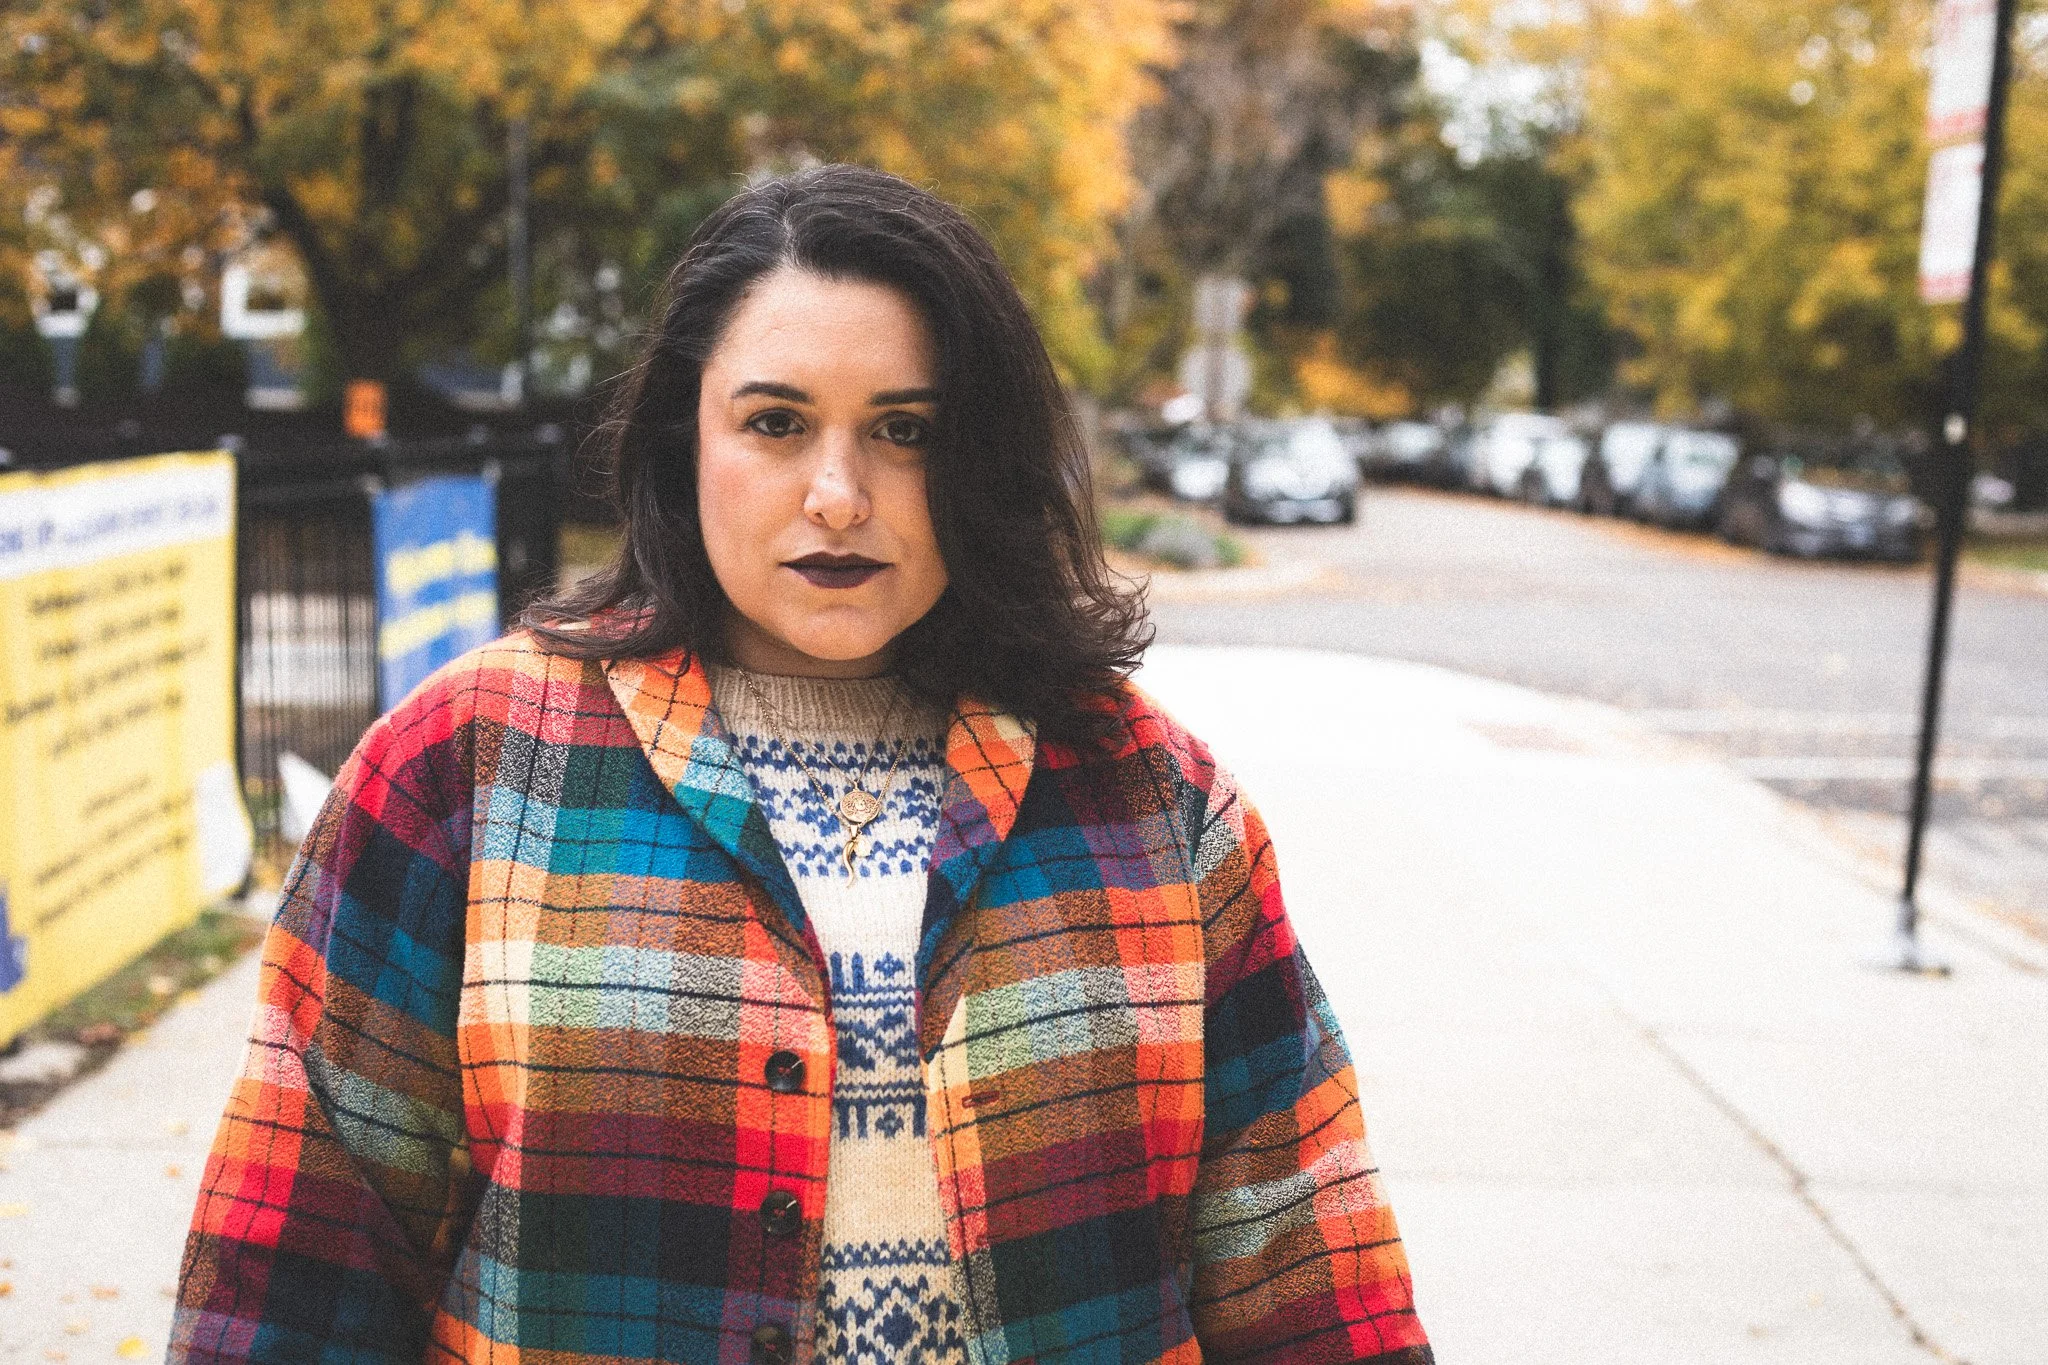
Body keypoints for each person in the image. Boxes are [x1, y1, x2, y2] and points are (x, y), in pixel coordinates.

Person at [170, 165, 1431, 1365]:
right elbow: (300, 1257)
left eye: (905, 431)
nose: (838, 494)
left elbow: (1308, 1272)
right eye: (776, 423)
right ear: (686, 436)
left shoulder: (1153, 801)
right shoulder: (465, 768)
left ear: (981, 456)